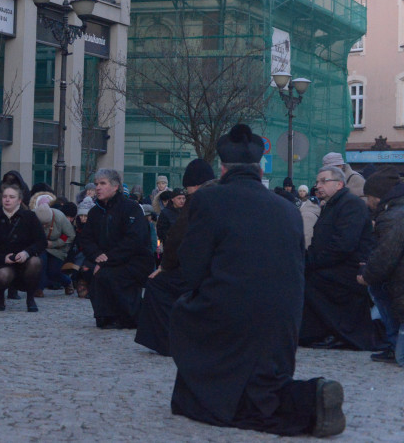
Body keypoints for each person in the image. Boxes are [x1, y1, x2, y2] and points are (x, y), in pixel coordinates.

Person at [169, 124, 345, 438]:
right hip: (284, 320)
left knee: (186, 318)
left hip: (230, 312)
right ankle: (311, 397)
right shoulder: (287, 208)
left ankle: (214, 392)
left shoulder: (209, 201)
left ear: (222, 169)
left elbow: (192, 268)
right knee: (266, 385)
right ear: (259, 168)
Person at [135, 157, 215, 356]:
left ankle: (167, 341)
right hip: (221, 266)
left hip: (200, 270)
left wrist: (165, 266)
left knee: (158, 285)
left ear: (193, 185)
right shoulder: (224, 196)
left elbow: (178, 237)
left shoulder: (198, 200)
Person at [299, 165, 375, 350]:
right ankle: (317, 333)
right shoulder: (333, 204)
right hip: (331, 264)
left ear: (339, 184)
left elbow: (344, 245)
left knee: (313, 283)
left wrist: (313, 262)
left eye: (324, 181)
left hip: (347, 269)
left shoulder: (351, 204)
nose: (318, 185)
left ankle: (334, 333)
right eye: (317, 182)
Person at [76, 168, 153, 329]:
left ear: (115, 186)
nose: (98, 187)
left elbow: (134, 241)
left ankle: (127, 316)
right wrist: (97, 255)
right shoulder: (95, 212)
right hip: (105, 259)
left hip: (133, 260)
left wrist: (107, 259)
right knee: (88, 271)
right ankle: (105, 315)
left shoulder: (131, 208)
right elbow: (86, 238)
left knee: (110, 275)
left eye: (103, 183)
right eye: (96, 184)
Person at [359, 167, 404, 366]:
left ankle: (393, 344)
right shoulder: (395, 210)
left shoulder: (392, 216)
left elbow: (385, 254)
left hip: (398, 281)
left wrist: (367, 275)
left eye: (368, 196)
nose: (367, 202)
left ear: (377, 196)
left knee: (378, 290)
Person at [0, 183, 46, 312]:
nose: (7, 199)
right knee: (3, 275)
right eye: (5, 196)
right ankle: (0, 296)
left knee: (35, 262)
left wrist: (27, 253)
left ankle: (30, 298)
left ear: (19, 200)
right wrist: (2, 258)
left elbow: (41, 242)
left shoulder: (29, 217)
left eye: (11, 197)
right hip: (0, 262)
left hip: (24, 260)